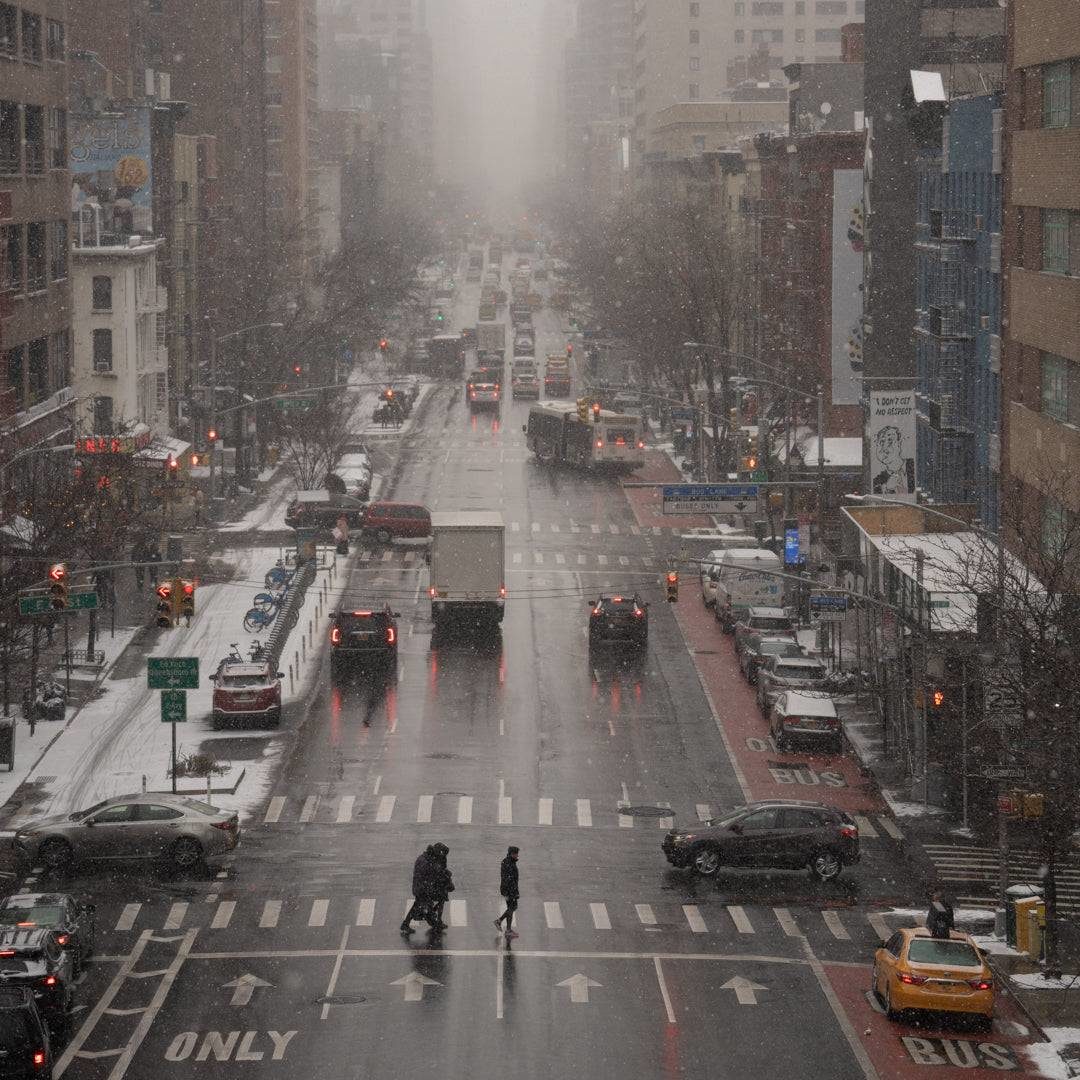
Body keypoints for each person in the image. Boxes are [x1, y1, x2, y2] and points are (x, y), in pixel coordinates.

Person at [401, 845, 438, 935]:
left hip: (419, 887)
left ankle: (433, 923)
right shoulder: (425, 862)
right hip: (422, 889)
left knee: (420, 905)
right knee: (422, 906)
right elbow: (426, 876)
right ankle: (433, 923)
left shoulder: (422, 859)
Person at [494, 845, 520, 940]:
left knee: (511, 908)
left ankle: (507, 928)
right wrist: (509, 892)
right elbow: (508, 879)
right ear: (512, 854)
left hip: (509, 889)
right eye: (516, 854)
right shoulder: (509, 863)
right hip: (510, 890)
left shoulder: (508, 862)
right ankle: (501, 923)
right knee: (512, 908)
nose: (517, 856)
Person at [429, 843, 453, 932]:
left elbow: (441, 870)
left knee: (441, 901)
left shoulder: (438, 858)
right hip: (439, 884)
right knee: (441, 901)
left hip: (439, 883)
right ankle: (436, 919)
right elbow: (439, 871)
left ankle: (435, 917)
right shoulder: (439, 859)